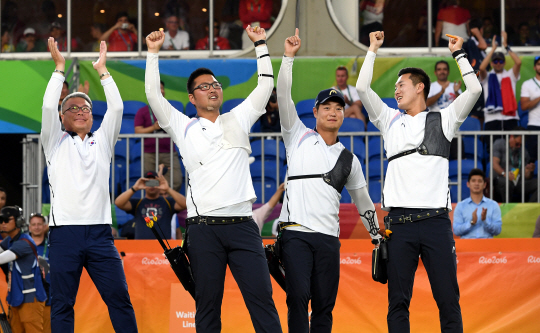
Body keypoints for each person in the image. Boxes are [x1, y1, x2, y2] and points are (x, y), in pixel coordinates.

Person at [145, 26, 282, 332]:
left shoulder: (239, 117)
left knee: (262, 299)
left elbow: (264, 86)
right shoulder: (183, 126)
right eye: (205, 86)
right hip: (204, 229)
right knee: (207, 306)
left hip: (244, 227)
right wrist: (153, 54)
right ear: (192, 97)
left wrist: (260, 44)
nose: (213, 88)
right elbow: (153, 94)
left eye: (216, 84)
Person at [357, 31, 481, 332]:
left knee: (448, 300)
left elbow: (474, 89)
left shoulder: (445, 119)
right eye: (396, 86)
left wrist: (459, 54)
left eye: (401, 85)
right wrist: (372, 49)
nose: (396, 91)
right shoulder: (388, 120)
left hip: (437, 222)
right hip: (399, 224)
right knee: (398, 302)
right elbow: (362, 87)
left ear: (420, 87)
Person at [277, 29, 382, 332]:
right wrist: (288, 58)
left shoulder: (350, 159)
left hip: (327, 240)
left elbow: (363, 203)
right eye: (327, 107)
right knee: (297, 297)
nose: (333, 113)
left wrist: (376, 236)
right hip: (295, 234)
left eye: (338, 108)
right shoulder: (296, 136)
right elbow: (283, 94)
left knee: (324, 305)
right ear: (315, 112)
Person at [41, 38, 137, 332]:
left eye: (86, 107)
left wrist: (103, 72)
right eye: (73, 107)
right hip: (63, 235)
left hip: (99, 234)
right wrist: (59, 70)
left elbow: (118, 108)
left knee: (119, 299)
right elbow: (47, 105)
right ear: (61, 117)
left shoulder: (103, 142)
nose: (81, 110)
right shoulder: (54, 142)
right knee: (62, 304)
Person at [0, 206, 47, 333]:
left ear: (19, 221)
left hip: (30, 299)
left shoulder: (24, 242)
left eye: (6, 220)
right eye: (0, 220)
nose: (2, 223)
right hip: (16, 297)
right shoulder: (10, 240)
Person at [134, 80, 183, 191]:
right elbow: (138, 131)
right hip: (149, 153)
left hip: (169, 152)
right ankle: (155, 203)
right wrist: (154, 128)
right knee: (150, 182)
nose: (160, 91)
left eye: (162, 88)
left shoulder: (171, 109)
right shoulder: (142, 111)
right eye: (157, 89)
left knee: (176, 181)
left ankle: (170, 204)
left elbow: (179, 126)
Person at [114, 170, 186, 239]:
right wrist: (135, 188)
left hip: (163, 247)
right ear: (144, 184)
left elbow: (185, 204)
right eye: (148, 182)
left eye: (154, 182)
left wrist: (168, 189)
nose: (152, 186)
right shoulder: (138, 203)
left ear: (159, 183)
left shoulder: (168, 202)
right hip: (141, 247)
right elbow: (118, 203)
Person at [479, 32, 522, 132]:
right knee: (492, 147)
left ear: (504, 62)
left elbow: (518, 62)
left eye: (501, 61)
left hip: (510, 118)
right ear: (491, 63)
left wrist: (506, 46)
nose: (498, 63)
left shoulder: (510, 75)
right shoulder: (488, 76)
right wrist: (493, 49)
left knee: (511, 147)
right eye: (495, 61)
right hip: (492, 118)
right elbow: (481, 68)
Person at [491, 127, 537, 202]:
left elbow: (527, 176)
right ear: (511, 136)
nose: (519, 146)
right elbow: (494, 163)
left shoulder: (523, 151)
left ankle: (528, 210)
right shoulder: (500, 143)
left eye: (521, 144)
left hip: (518, 181)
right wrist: (505, 174)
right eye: (517, 144)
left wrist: (529, 170)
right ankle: (508, 210)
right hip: (502, 179)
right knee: (506, 183)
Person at [453, 169, 502, 238]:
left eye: (479, 181)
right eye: (473, 181)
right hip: (467, 246)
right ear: (468, 184)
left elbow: (498, 231)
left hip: (487, 246)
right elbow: (456, 231)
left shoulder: (493, 205)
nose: (476, 184)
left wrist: (485, 220)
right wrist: (471, 222)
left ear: (484, 185)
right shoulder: (461, 206)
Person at [28, 212, 51, 333]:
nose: (36, 227)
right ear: (29, 227)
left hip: (48, 299)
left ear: (44, 226)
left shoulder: (52, 246)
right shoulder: (21, 245)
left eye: (39, 224)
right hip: (26, 299)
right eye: (34, 224)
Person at [520, 56, 540, 161]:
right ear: (534, 67)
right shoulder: (527, 84)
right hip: (534, 125)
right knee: (532, 160)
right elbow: (523, 106)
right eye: (539, 64)